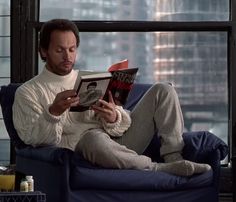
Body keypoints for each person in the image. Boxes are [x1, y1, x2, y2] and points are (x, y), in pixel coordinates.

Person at [12, 19, 211, 176]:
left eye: (72, 49)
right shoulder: (28, 92)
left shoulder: (90, 78)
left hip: (118, 143)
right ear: (43, 51)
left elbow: (123, 124)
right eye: (59, 50)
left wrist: (114, 116)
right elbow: (32, 139)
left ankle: (174, 159)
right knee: (93, 139)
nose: (68, 56)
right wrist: (53, 112)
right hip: (89, 151)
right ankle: (156, 169)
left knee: (164, 89)